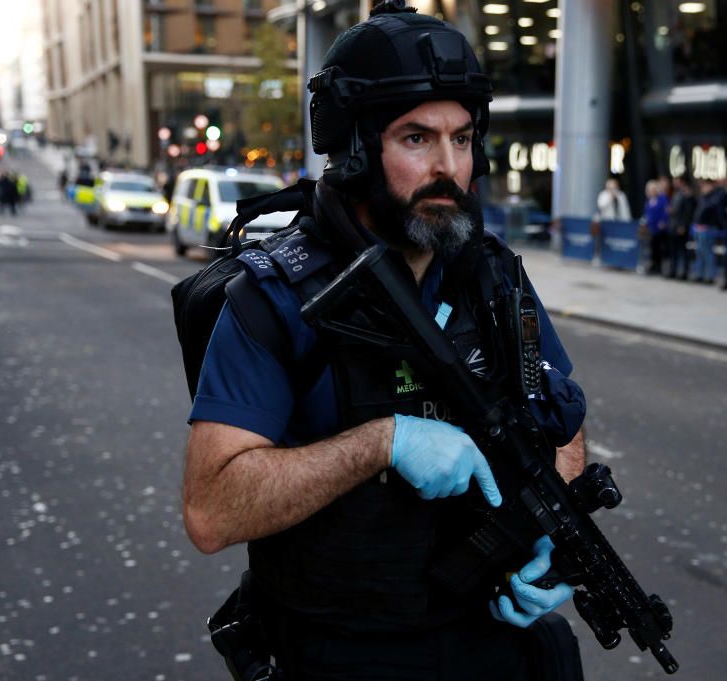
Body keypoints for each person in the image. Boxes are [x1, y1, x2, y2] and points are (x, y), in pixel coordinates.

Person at [181, 3, 587, 680]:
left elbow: (563, 424)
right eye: (417, 139)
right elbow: (210, 509)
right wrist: (381, 444)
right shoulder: (277, 296)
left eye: (462, 138)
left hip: (485, 644)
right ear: (359, 148)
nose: (449, 166)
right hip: (339, 652)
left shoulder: (494, 275)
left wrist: (550, 532)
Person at [691, 178, 724, 284]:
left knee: (708, 252)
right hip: (699, 228)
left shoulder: (715, 197)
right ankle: (699, 274)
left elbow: (708, 210)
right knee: (699, 252)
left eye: (705, 186)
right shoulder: (703, 197)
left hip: (708, 228)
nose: (703, 188)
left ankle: (711, 276)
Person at [667, 176, 696, 280]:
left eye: (677, 182)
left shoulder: (686, 195)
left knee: (683, 251)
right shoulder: (675, 193)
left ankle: (684, 272)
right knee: (673, 250)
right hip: (673, 226)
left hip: (681, 227)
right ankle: (673, 271)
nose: (674, 184)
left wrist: (683, 226)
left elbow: (687, 213)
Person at [641, 179, 669, 274]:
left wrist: (663, 222)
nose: (651, 191)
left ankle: (659, 267)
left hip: (660, 228)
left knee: (659, 248)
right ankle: (652, 266)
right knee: (652, 248)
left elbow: (665, 212)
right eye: (650, 190)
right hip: (651, 227)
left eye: (653, 189)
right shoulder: (648, 200)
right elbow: (647, 213)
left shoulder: (662, 198)